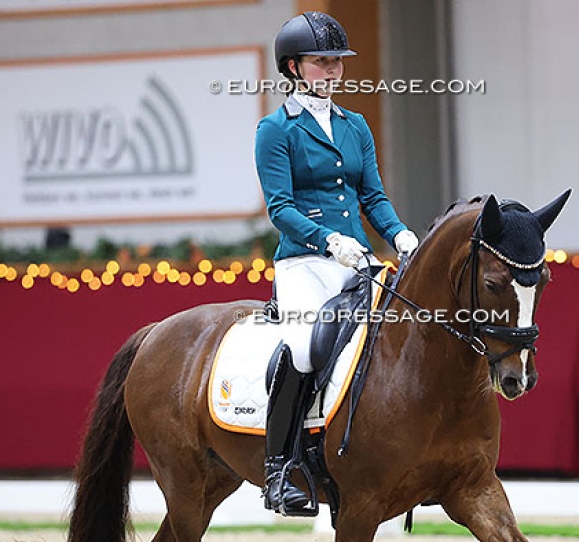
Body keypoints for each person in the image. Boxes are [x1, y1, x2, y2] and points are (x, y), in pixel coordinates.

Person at [255, 11, 419, 515]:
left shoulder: (355, 125)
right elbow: (280, 208)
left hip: (359, 260)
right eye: (321, 62)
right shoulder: (275, 129)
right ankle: (280, 466)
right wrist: (328, 240)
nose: (332, 70)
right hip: (305, 263)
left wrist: (401, 234)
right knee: (305, 347)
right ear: (294, 66)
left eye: (337, 62)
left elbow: (372, 196)